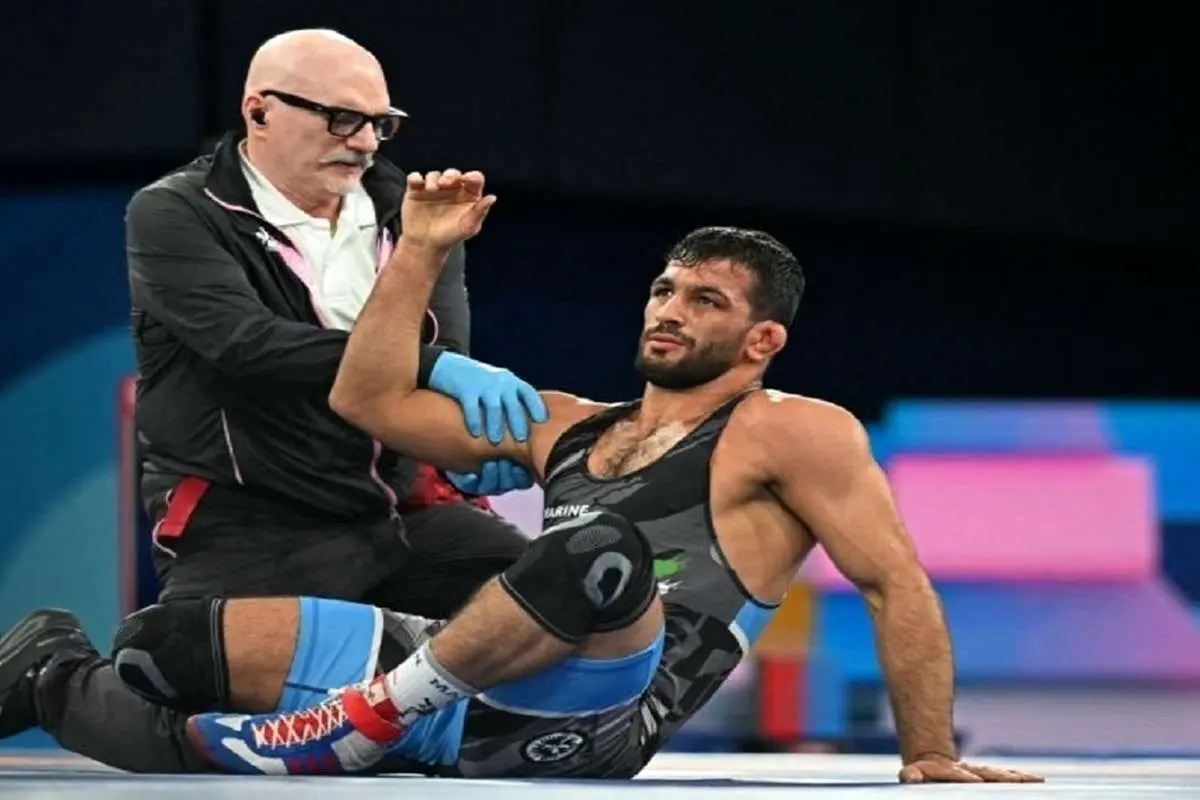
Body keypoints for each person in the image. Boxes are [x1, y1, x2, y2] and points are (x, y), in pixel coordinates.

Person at [176, 170, 1043, 783]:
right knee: (162, 648)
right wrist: (423, 252)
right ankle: (385, 720)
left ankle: (371, 719)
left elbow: (895, 583)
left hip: (598, 722)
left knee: (597, 547)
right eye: (665, 290)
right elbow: (365, 398)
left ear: (763, 341)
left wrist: (929, 752)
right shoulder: (565, 421)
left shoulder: (792, 430)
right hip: (481, 695)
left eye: (705, 301)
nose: (670, 310)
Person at [0, 32, 544, 773]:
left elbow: (438, 356)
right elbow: (249, 345)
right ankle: (53, 675)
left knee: (550, 620)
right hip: (251, 519)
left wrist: (461, 449)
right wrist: (434, 366)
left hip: (401, 514)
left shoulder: (407, 208)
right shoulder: (175, 211)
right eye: (340, 118)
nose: (364, 142)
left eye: (380, 123)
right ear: (258, 111)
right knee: (208, 722)